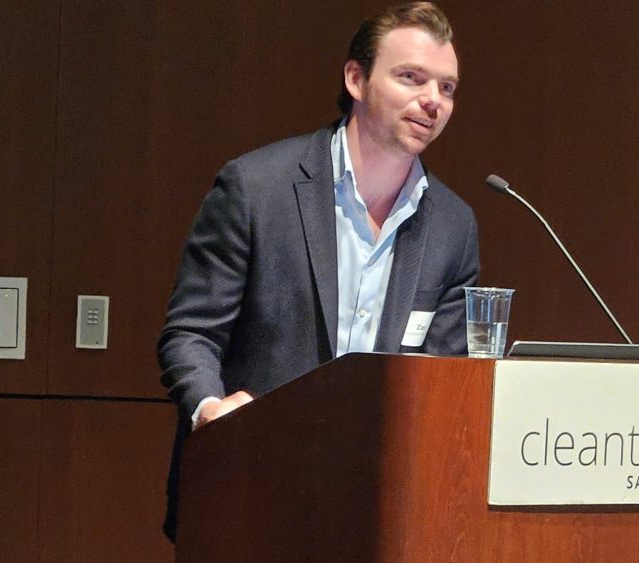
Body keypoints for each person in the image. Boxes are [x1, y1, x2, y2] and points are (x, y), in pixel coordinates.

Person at [157, 2, 479, 541]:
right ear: (356, 77)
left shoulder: (453, 224)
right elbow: (190, 334)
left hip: (379, 510)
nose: (432, 101)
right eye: (411, 78)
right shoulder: (257, 189)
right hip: (249, 495)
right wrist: (210, 407)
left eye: (447, 88)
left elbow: (440, 383)